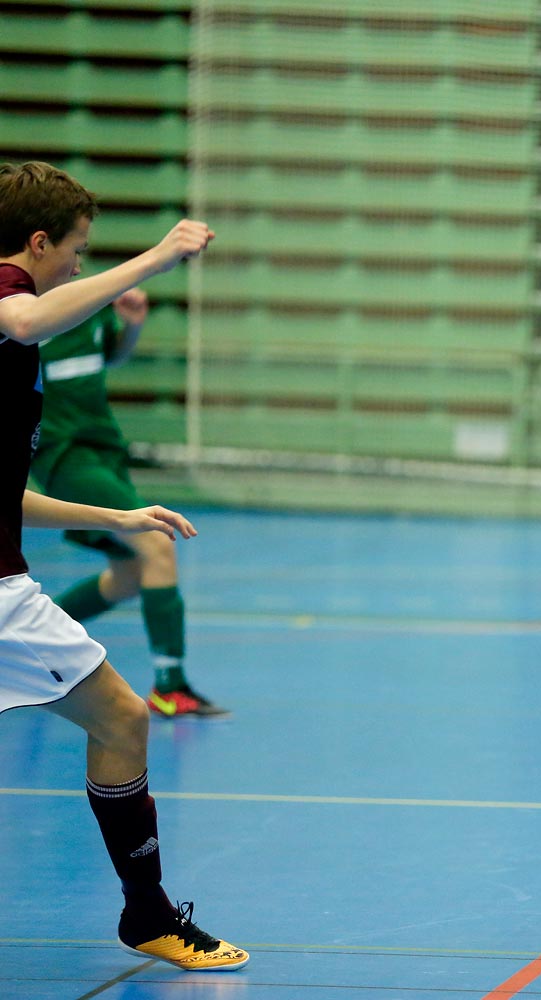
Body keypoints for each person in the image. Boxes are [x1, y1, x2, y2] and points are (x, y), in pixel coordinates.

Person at [0, 160, 247, 971]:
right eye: (76, 249)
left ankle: (147, 912)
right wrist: (155, 257)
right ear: (37, 245)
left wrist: (113, 516)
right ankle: (147, 915)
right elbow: (30, 318)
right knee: (123, 718)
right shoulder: (10, 296)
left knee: (121, 717)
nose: (81, 263)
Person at [34, 288, 227, 717]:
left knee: (128, 575)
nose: (81, 266)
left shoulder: (88, 307)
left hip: (104, 449)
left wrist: (132, 326)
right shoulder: (26, 316)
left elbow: (108, 357)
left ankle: (32, 647)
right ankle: (169, 687)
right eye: (76, 249)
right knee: (157, 544)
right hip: (65, 455)